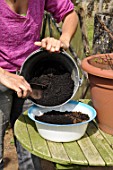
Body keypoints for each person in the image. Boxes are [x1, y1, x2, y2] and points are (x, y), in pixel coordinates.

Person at [0, 0, 78, 169]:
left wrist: (63, 40)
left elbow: (70, 14)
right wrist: (3, 74)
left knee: (31, 147)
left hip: (31, 77)